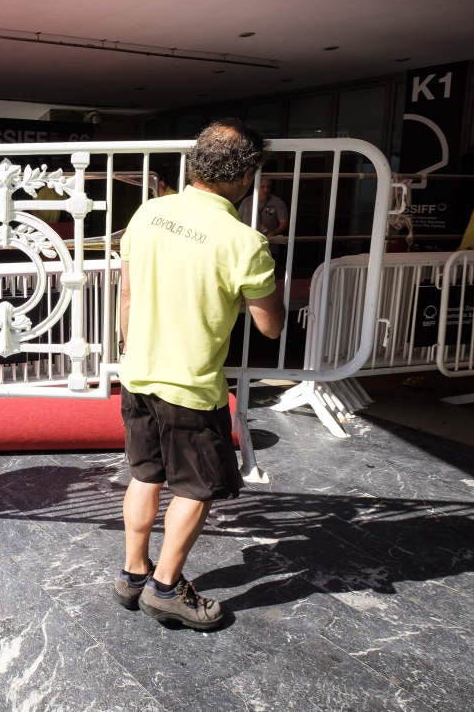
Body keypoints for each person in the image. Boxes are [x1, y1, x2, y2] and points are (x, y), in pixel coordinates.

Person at [115, 119, 285, 630]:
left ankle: (131, 574)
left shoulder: (149, 214)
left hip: (138, 373)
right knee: (195, 488)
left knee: (144, 474)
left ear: (196, 164)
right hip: (190, 385)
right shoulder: (244, 242)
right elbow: (271, 325)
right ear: (248, 174)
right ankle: (166, 588)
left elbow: (125, 296)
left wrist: (135, 351)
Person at [238, 177, 289, 269]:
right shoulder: (246, 202)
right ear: (256, 187)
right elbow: (238, 222)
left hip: (269, 247)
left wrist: (272, 234)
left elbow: (284, 223)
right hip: (249, 246)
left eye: (268, 187)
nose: (266, 190)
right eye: (262, 187)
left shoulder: (278, 202)